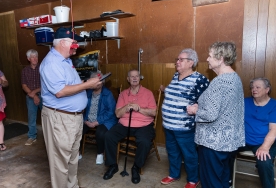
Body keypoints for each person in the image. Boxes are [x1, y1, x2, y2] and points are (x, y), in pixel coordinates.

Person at [39, 27, 101, 188]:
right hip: (60, 118)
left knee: (73, 158)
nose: (77, 45)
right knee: (60, 162)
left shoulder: (66, 61)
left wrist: (88, 84)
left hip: (74, 117)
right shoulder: (51, 63)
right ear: (63, 43)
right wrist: (88, 84)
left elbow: (73, 85)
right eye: (74, 42)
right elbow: (60, 92)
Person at [187, 42, 245, 188]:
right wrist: (201, 105)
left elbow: (211, 114)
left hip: (213, 143)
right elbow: (225, 106)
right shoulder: (235, 77)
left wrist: (195, 110)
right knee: (223, 179)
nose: (207, 59)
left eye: (210, 56)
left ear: (221, 59)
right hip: (228, 141)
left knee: (211, 182)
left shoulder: (219, 82)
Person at [160, 49, 209, 188]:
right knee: (173, 151)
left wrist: (196, 108)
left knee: (189, 154)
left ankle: (193, 179)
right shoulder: (176, 76)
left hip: (185, 127)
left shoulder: (200, 79)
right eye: (177, 59)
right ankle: (174, 174)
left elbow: (208, 103)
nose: (177, 62)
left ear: (191, 63)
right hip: (168, 125)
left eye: (181, 59)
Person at [103, 69, 157, 184]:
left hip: (144, 125)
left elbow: (153, 113)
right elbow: (117, 114)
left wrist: (139, 109)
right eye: (132, 76)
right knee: (108, 136)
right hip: (124, 124)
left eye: (136, 76)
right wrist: (126, 107)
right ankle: (112, 165)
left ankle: (136, 167)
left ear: (140, 78)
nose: (134, 78)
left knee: (144, 141)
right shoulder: (123, 94)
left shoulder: (148, 93)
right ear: (128, 79)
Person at [237, 77, 276, 188]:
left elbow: (274, 129)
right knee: (223, 150)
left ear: (267, 90)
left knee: (264, 160)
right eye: (252, 87)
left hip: (264, 141)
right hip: (244, 140)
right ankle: (226, 181)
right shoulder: (245, 102)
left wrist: (264, 147)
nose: (254, 89)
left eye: (258, 87)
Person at [81, 71, 117, 164]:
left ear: (103, 82)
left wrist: (97, 122)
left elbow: (111, 112)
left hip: (104, 120)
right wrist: (85, 120)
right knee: (77, 129)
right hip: (88, 119)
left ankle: (100, 153)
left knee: (100, 132)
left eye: (100, 81)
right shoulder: (88, 92)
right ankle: (77, 152)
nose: (97, 83)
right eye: (95, 81)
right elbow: (82, 107)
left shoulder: (107, 93)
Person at [21, 49, 42, 146]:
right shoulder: (25, 70)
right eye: (32, 57)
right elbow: (24, 85)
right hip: (30, 97)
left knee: (47, 117)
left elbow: (46, 84)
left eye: (36, 56)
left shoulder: (43, 68)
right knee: (31, 118)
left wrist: (35, 92)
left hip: (44, 96)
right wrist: (33, 95)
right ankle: (32, 136)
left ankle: (50, 137)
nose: (35, 59)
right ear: (28, 58)